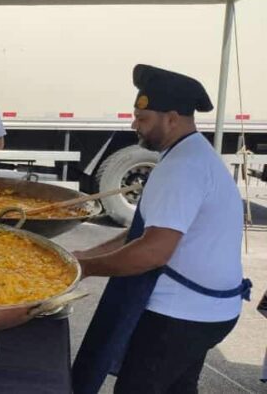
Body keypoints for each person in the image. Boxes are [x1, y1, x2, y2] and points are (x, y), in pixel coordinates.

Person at [72, 64, 252, 394]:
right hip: (209, 311)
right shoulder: (192, 154)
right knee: (177, 388)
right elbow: (138, 234)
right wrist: (82, 256)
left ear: (171, 118)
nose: (133, 126)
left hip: (182, 315)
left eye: (143, 119)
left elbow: (152, 251)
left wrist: (86, 267)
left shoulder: (182, 168)